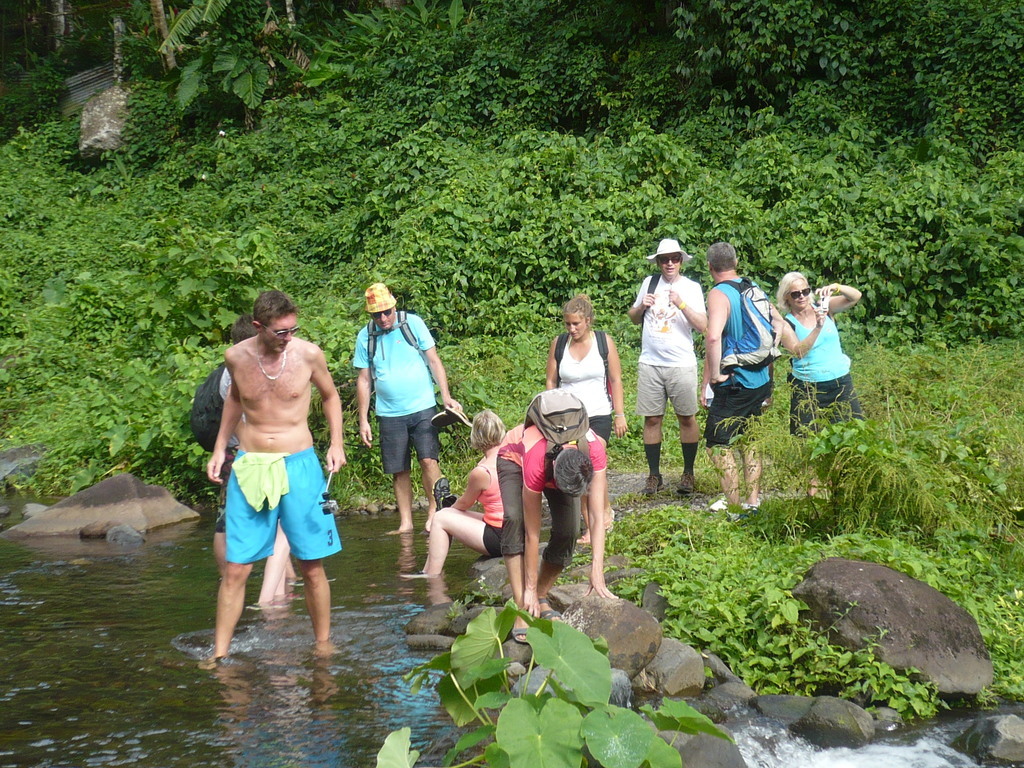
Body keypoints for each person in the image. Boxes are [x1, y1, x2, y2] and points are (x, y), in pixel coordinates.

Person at [205, 290, 346, 661]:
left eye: (293, 329)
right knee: (236, 569)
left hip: (299, 463)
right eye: (280, 332)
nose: (288, 337)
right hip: (251, 466)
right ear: (258, 327)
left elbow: (331, 397)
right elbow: (235, 400)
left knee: (311, 564)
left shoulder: (308, 355)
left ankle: (322, 644)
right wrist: (220, 448)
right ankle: (219, 655)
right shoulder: (236, 357)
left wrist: (336, 444)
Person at [498, 392, 617, 642]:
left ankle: (540, 597)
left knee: (569, 530)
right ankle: (523, 605)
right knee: (514, 519)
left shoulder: (594, 450)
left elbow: (597, 517)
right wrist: (526, 589)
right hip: (515, 460)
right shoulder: (536, 458)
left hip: (559, 467)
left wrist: (597, 571)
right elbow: (532, 533)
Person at [354, 283, 462, 535]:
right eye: (376, 314)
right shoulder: (365, 336)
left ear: (394, 306)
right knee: (398, 468)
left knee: (428, 460)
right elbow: (364, 380)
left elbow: (433, 360)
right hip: (389, 413)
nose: (382, 318)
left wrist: (445, 396)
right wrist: (363, 420)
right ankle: (406, 523)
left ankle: (435, 514)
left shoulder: (412, 324)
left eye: (386, 312)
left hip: (423, 406)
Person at [213, 314, 298, 607]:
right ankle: (268, 596)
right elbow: (242, 421)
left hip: (240, 456)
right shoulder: (236, 372)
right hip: (251, 459)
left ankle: (275, 580)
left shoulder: (232, 371)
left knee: (229, 523)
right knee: (277, 526)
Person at [626, 238, 708, 496]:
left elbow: (703, 325)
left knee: (686, 416)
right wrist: (642, 306)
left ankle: (688, 473)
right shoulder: (648, 284)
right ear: (658, 262)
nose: (669, 263)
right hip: (650, 361)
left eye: (674, 258)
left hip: (681, 362)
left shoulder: (692, 288)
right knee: (651, 418)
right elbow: (632, 316)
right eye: (664, 259)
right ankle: (654, 475)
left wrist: (681, 303)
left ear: (681, 261)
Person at [701, 242, 776, 515]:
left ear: (710, 266)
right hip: (761, 378)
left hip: (736, 381)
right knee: (749, 440)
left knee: (718, 445)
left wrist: (715, 375)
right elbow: (775, 325)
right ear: (735, 262)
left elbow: (712, 336)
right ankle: (753, 502)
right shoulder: (752, 287)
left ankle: (735, 510)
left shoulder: (719, 294)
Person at [545, 294, 626, 544]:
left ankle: (595, 525)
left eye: (576, 324)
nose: (571, 329)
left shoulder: (604, 342)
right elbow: (551, 380)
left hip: (599, 412)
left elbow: (615, 379)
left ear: (588, 321)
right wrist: (548, 412)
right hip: (569, 417)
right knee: (578, 466)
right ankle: (595, 517)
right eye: (567, 324)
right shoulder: (559, 344)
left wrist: (620, 414)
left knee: (590, 464)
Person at [776, 274, 865, 492]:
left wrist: (836, 287)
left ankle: (841, 490)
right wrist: (817, 327)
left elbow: (855, 297)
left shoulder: (825, 307)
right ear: (787, 297)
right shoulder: (787, 322)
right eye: (795, 294)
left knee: (850, 436)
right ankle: (813, 496)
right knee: (811, 444)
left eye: (805, 291)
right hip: (809, 388)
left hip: (840, 382)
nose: (802, 297)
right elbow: (797, 351)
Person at [401, 410, 507, 578]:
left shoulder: (481, 471)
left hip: (500, 538)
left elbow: (465, 504)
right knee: (445, 515)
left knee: (441, 518)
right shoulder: (512, 458)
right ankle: (426, 570)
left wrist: (448, 510)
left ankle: (432, 574)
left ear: (476, 438)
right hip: (515, 531)